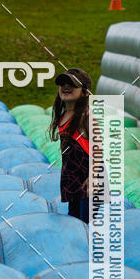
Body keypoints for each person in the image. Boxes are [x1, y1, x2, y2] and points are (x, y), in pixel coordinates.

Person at [48, 68, 92, 223]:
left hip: (88, 181)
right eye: (63, 84)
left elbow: (99, 148)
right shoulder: (63, 115)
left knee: (85, 224)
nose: (66, 87)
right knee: (73, 222)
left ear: (85, 93)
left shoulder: (85, 116)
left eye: (72, 85)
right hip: (72, 179)